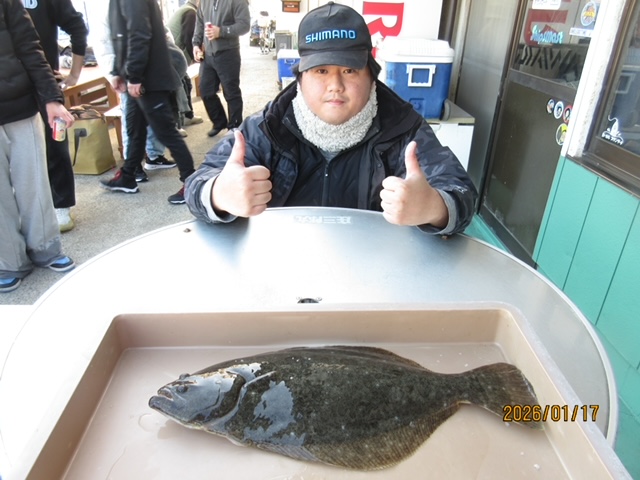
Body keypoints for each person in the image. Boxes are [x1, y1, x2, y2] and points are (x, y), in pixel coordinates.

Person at [185, 2, 477, 235]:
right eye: (321, 71)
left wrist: (434, 207)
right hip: (282, 268)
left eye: (349, 70)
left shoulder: (403, 127)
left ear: (372, 76)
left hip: (376, 274)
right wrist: (218, 194)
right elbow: (199, 182)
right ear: (300, 78)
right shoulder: (267, 127)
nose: (335, 85)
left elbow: (460, 191)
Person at [1, 0, 76, 293]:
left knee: (34, 182)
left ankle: (46, 247)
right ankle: (8, 260)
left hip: (21, 105)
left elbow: (30, 47)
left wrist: (52, 98)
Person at [101, 0, 196, 205]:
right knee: (135, 129)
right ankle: (128, 176)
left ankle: (191, 183)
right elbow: (122, 36)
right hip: (137, 76)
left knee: (166, 132)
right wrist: (118, 72)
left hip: (148, 78)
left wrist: (134, 76)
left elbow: (139, 34)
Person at [24, 0, 88, 232]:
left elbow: (77, 26)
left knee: (55, 144)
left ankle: (61, 205)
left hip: (46, 84)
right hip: (9, 86)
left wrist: (74, 75)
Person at [192, 0, 250, 137]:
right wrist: (196, 44)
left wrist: (221, 31)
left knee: (231, 93)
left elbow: (244, 25)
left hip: (228, 53)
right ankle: (219, 122)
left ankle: (235, 128)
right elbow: (199, 23)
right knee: (205, 90)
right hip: (208, 54)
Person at [168, 0, 203, 127]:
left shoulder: (185, 9)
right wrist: (196, 57)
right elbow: (189, 38)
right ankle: (176, 124)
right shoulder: (190, 13)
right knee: (178, 88)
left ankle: (188, 116)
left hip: (173, 56)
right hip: (172, 58)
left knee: (186, 83)